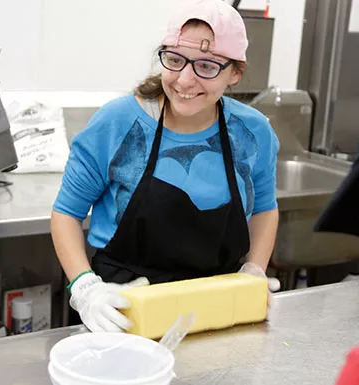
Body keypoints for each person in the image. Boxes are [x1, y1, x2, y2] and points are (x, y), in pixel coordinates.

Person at [51, 0, 280, 333]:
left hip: (215, 311)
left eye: (207, 66)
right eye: (175, 61)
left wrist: (254, 270)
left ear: (235, 73)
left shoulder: (252, 132)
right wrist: (86, 288)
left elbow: (264, 208)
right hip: (122, 311)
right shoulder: (118, 123)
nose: (185, 80)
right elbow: (65, 214)